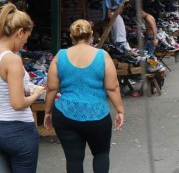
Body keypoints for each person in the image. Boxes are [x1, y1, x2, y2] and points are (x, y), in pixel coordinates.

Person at [44, 19, 125, 173]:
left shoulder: (60, 56)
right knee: (101, 154)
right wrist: (120, 110)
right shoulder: (103, 56)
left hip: (65, 113)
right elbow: (112, 87)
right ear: (91, 35)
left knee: (73, 159)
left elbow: (52, 88)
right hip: (97, 114)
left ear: (71, 36)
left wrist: (48, 112)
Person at [0, 3, 42, 173]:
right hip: (18, 130)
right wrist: (36, 93)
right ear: (19, 32)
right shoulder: (12, 59)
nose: (25, 43)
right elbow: (17, 103)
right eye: (26, 37)